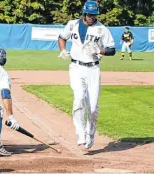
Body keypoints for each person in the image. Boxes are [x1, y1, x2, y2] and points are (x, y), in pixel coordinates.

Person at [58, 1, 116, 151]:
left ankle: (90, 135)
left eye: (94, 14)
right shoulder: (72, 25)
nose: (92, 17)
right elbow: (61, 37)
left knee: (93, 108)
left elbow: (112, 50)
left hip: (93, 70)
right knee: (78, 99)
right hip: (76, 67)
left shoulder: (102, 29)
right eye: (89, 14)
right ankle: (80, 133)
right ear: (84, 13)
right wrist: (63, 50)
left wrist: (99, 51)